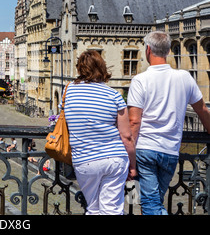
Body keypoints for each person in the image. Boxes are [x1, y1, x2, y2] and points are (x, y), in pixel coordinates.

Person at [127, 31, 210, 215]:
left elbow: (134, 122)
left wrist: (129, 158)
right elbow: (203, 110)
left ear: (148, 50)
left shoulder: (140, 80)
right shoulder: (184, 77)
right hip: (170, 151)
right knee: (153, 201)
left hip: (145, 151)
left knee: (150, 205)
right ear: (168, 51)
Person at [64, 50, 136, 215]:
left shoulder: (67, 92)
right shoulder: (114, 95)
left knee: (93, 209)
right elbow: (127, 136)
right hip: (114, 159)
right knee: (112, 210)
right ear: (103, 69)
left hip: (84, 159)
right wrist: (133, 165)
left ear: (80, 68)